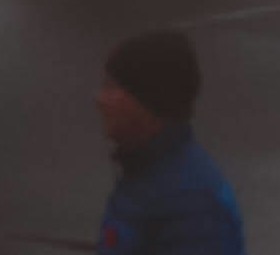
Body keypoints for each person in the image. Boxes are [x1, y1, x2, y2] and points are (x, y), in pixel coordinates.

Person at [95, 28, 245, 254]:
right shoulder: (144, 172)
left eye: (112, 88)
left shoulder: (192, 205)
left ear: (147, 101)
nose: (99, 100)